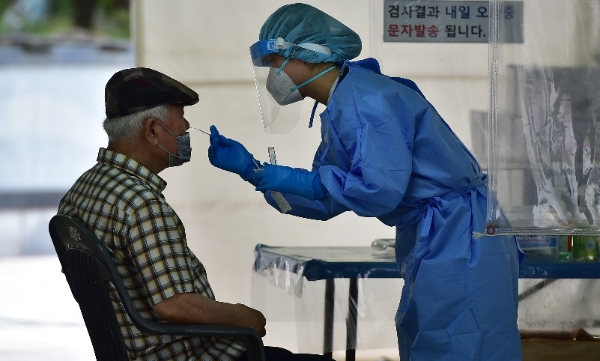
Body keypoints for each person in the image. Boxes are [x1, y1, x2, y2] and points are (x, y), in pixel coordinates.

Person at [207, 3, 523, 361]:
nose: (271, 76)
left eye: (275, 62)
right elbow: (327, 199)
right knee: (436, 341)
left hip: (461, 237)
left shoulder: (366, 100)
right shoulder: (344, 103)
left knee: (463, 344)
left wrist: (293, 178)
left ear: (308, 54)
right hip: (441, 233)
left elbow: (378, 191)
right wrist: (254, 172)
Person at [57, 67, 335, 361]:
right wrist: (243, 316)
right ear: (152, 130)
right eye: (181, 119)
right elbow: (175, 305)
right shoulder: (140, 203)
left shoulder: (83, 189)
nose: (186, 127)